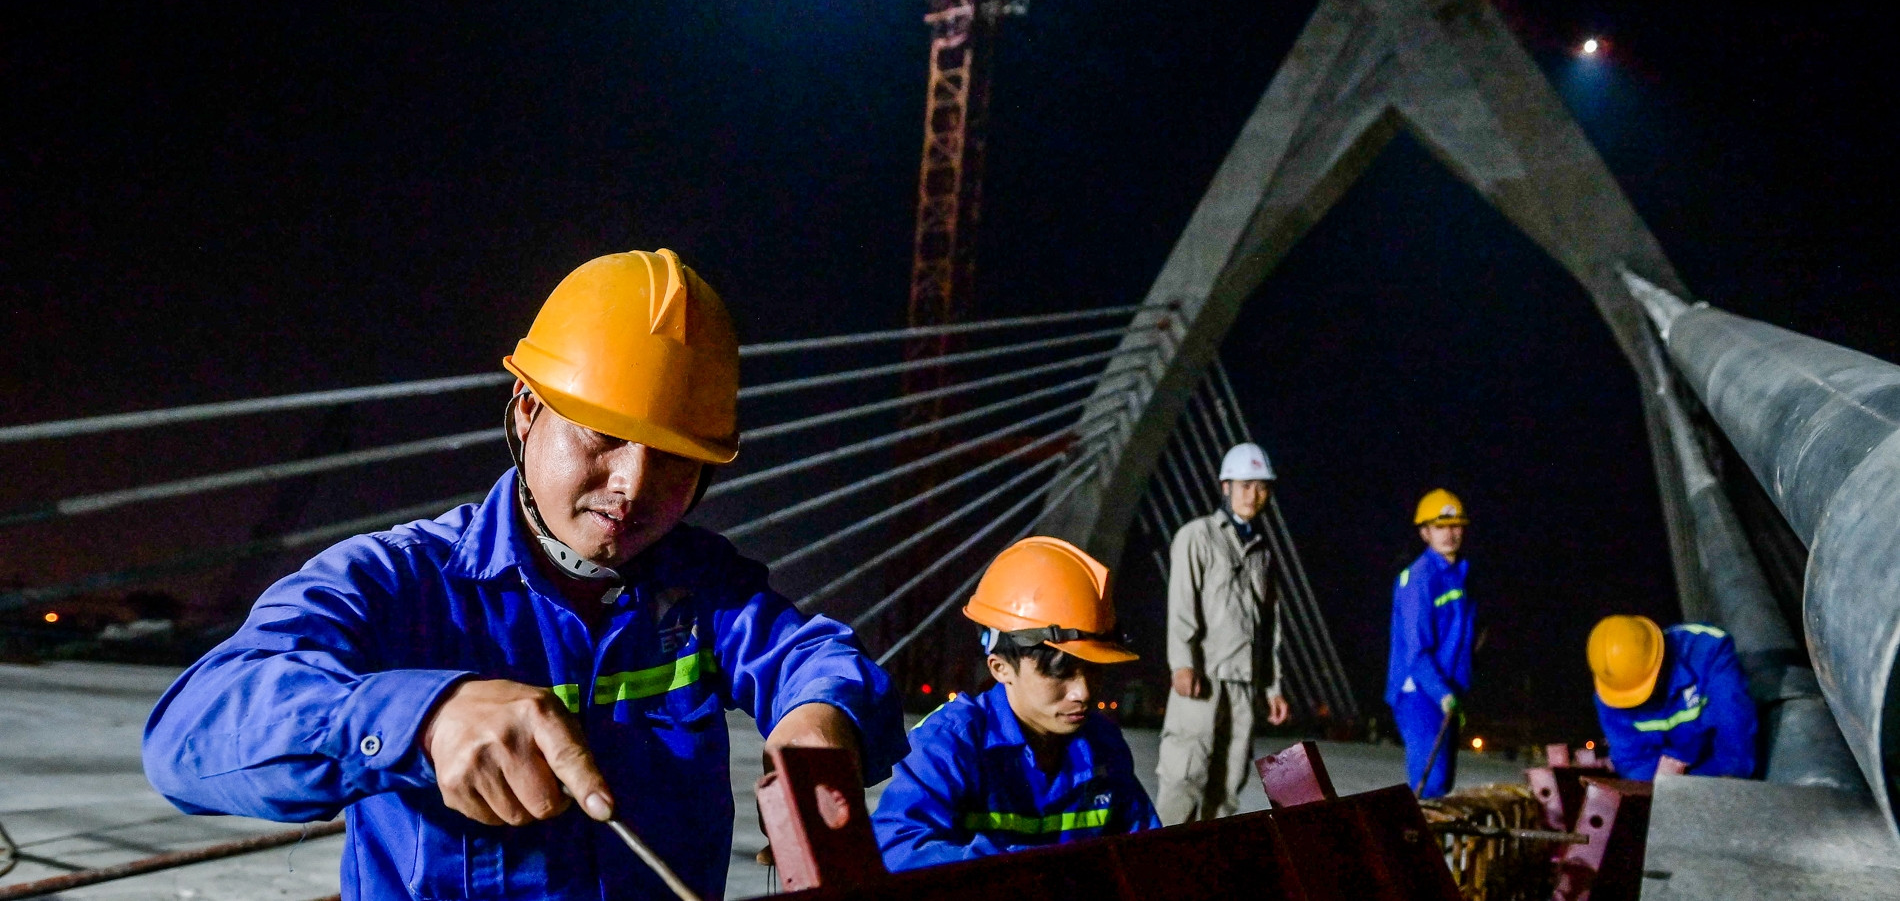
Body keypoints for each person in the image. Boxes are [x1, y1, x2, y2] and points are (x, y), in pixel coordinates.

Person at [143, 249, 906, 900]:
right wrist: (423, 718)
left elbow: (813, 657)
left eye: (676, 457)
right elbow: (189, 734)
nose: (634, 485)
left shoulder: (702, 590)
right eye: (604, 436)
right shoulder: (401, 583)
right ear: (526, 412)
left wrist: (821, 719)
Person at [873, 536, 1160, 869]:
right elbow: (896, 851)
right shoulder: (951, 743)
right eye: (1060, 672)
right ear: (1001, 668)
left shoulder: (1103, 745)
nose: (1082, 692)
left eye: (1093, 670)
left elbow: (1146, 854)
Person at [1155, 442, 1288, 825]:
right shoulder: (1196, 536)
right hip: (1203, 681)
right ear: (1225, 486)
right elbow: (1181, 606)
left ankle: (1206, 870)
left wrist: (1272, 686)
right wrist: (1181, 664)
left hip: (1244, 686)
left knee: (1228, 787)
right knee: (1184, 778)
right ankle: (1157, 867)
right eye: (1245, 484)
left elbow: (1269, 627)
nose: (1253, 494)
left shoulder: (1263, 553)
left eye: (1261, 486)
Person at [1385, 488, 1475, 798]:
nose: (1449, 534)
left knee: (1443, 785)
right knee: (1430, 787)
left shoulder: (1461, 576)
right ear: (1424, 532)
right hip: (1421, 694)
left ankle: (1430, 845)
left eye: (1455, 526)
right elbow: (1416, 651)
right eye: (1440, 527)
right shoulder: (1419, 579)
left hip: (1448, 691)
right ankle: (1414, 845)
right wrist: (1443, 693)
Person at [1588, 615, 1756, 781]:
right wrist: (1664, 788)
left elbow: (1733, 721)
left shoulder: (1707, 650)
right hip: (1674, 783)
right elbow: (1632, 761)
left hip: (1721, 766)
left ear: (1660, 661)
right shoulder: (1613, 697)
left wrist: (1731, 780)